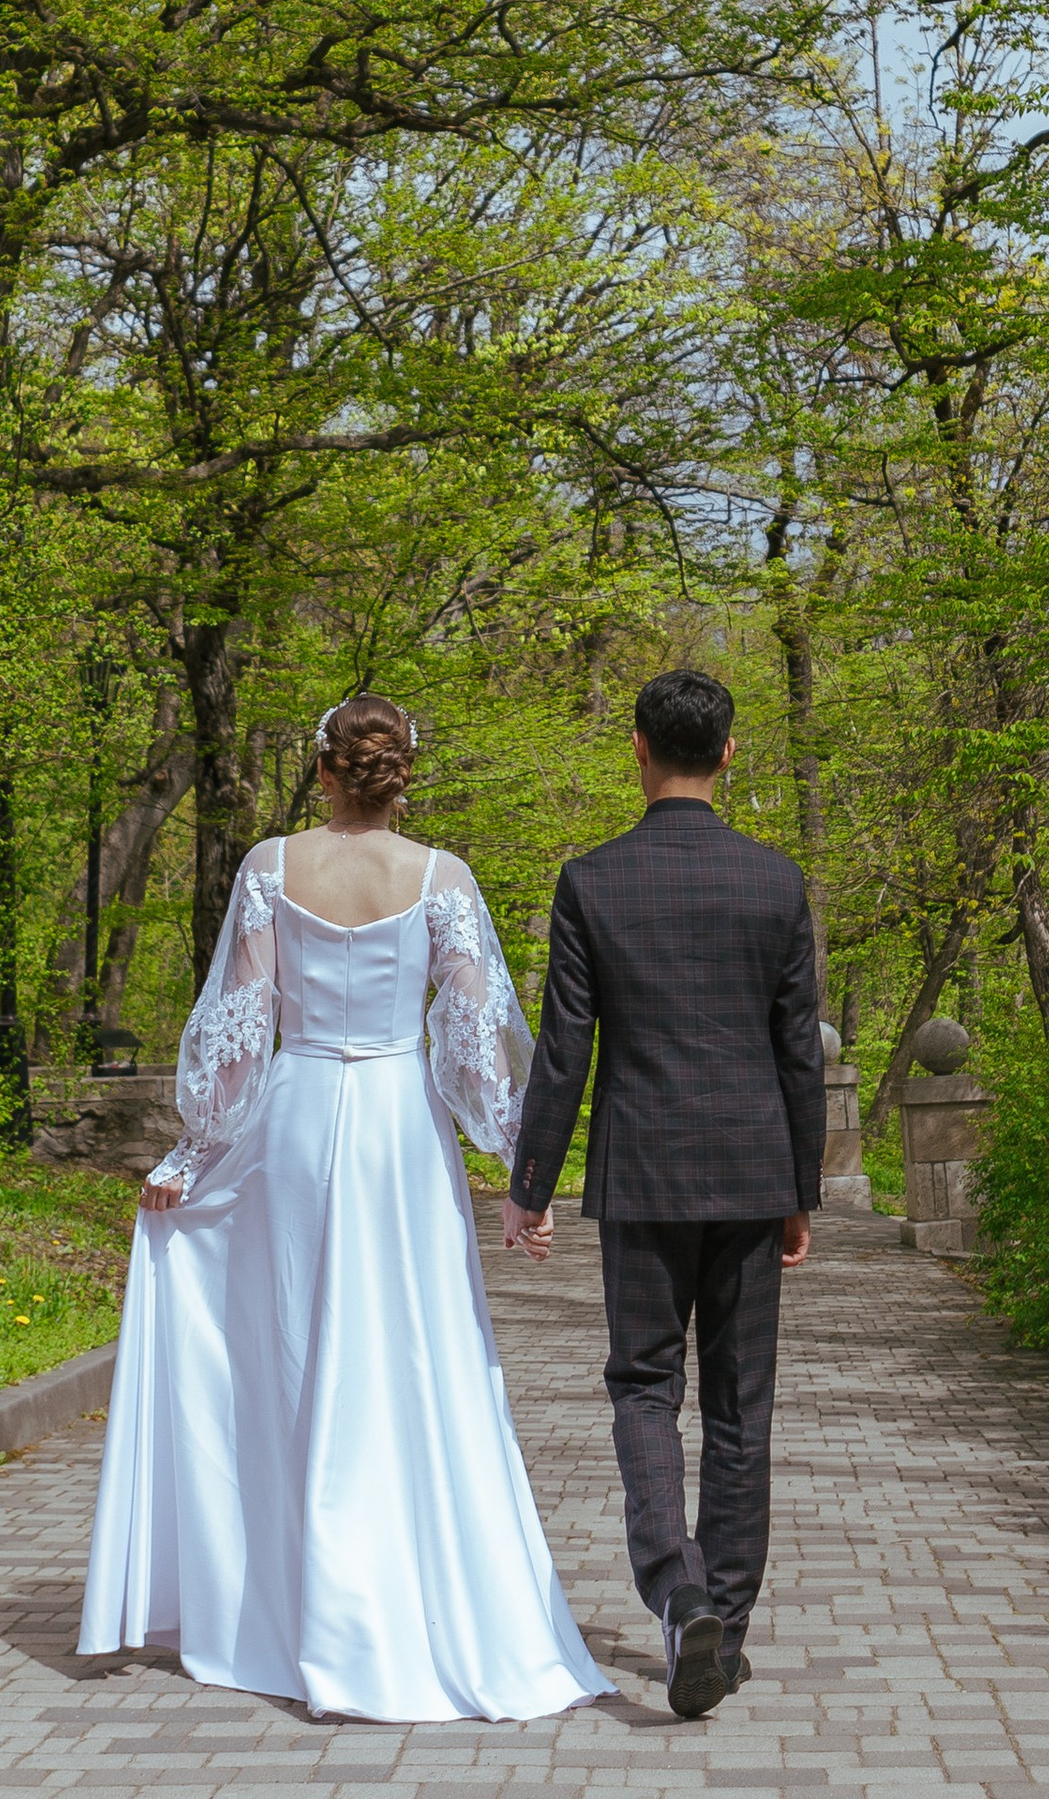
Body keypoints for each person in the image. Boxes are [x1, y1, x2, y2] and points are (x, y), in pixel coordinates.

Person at [77, 694, 611, 1724]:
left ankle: (297, 1609)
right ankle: (406, 1601)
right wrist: (518, 1174)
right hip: (400, 1135)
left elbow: (236, 1031)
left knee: (294, 1351)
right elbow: (476, 1040)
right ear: (403, 770)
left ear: (322, 769)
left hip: (298, 1114)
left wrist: (190, 1153)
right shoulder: (443, 878)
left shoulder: (270, 869)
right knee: (414, 1352)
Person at [502, 665, 827, 1720]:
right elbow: (797, 1059)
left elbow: (563, 1056)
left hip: (640, 1176)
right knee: (741, 1408)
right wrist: (800, 1192)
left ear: (636, 749)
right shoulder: (776, 885)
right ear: (729, 754)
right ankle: (720, 1629)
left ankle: (675, 1588)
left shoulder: (591, 883)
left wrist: (530, 1187)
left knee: (645, 1389)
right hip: (748, 1172)